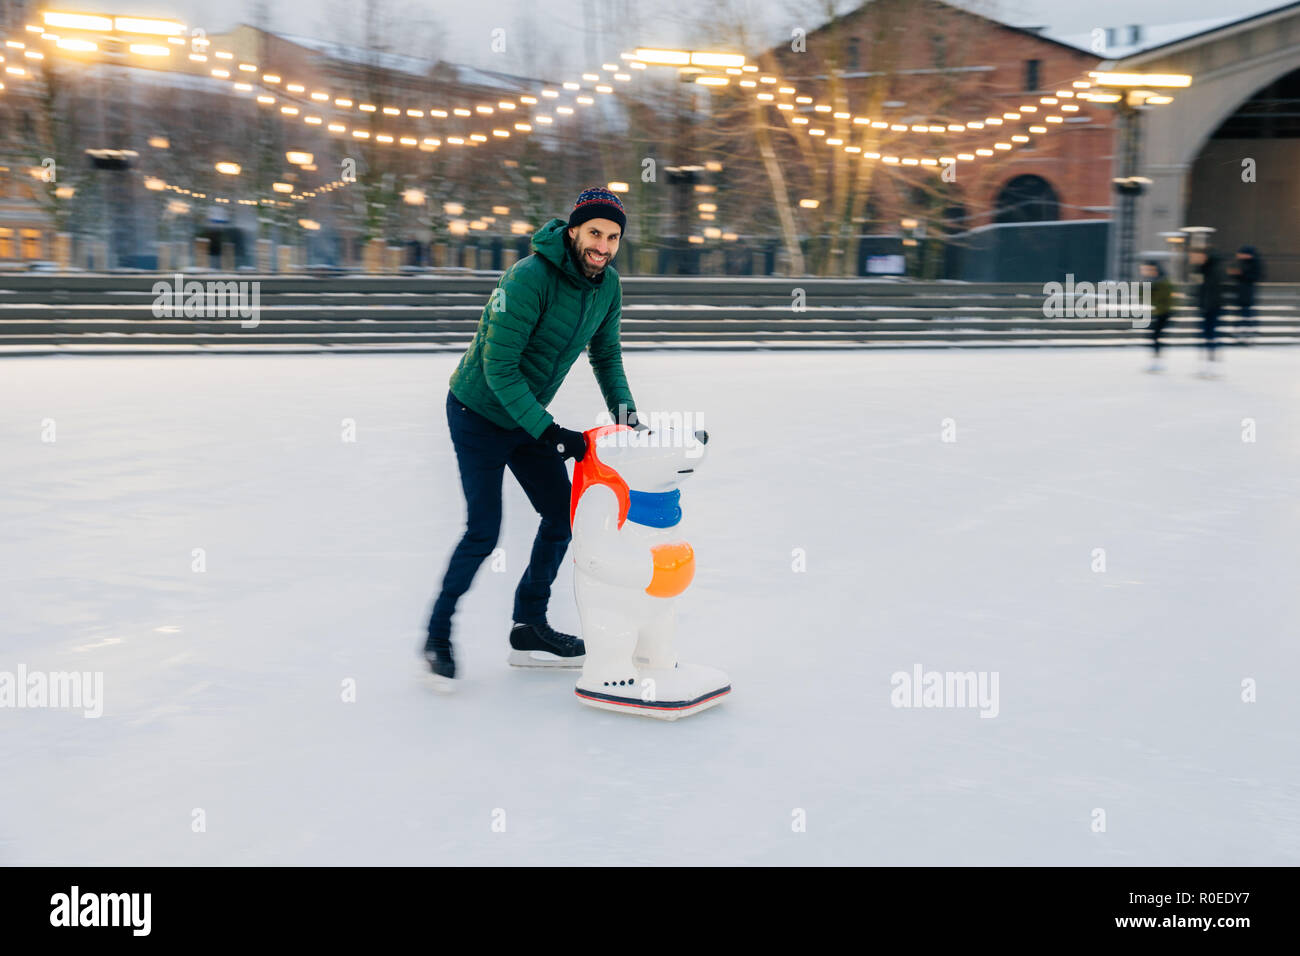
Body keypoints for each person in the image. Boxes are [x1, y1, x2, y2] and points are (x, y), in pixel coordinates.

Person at [423, 187, 644, 682]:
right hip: (477, 413)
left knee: (561, 517)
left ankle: (529, 625)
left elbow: (606, 356)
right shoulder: (528, 278)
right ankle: (437, 633)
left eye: (612, 238)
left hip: (524, 416)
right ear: (573, 231)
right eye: (594, 234)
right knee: (483, 530)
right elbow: (498, 368)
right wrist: (551, 433)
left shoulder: (607, 286)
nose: (603, 246)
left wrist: (628, 419)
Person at [1189, 248, 1223, 377]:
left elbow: (1213, 291)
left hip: (1212, 308)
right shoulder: (1203, 270)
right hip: (1206, 307)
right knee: (1206, 336)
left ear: (1204, 256)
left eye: (1196, 256)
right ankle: (1206, 365)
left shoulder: (1213, 270)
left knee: (1210, 336)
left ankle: (1212, 366)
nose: (1193, 259)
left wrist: (1207, 306)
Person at [1140, 260, 1173, 372]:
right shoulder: (1155, 281)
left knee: (1155, 336)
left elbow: (1158, 299)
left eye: (1148, 269)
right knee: (1154, 337)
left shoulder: (1162, 281)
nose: (1145, 272)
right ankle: (1156, 362)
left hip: (1164, 313)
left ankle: (1157, 363)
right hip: (1160, 312)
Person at [1228, 245, 1264, 342]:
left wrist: (1241, 274)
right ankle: (1242, 331)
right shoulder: (1242, 262)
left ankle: (1249, 331)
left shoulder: (1255, 263)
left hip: (1248, 291)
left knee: (1247, 312)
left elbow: (1256, 276)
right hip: (1242, 290)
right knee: (1243, 311)